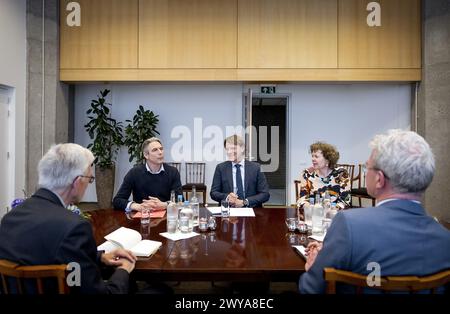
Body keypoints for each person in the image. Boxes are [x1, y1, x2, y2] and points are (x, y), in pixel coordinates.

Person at [299, 130, 450, 294]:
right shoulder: (445, 240)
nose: (365, 171)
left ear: (379, 179)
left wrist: (317, 264)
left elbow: (309, 289)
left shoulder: (348, 225)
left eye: (367, 167)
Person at [0, 143, 137, 294]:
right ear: (77, 182)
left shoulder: (10, 218)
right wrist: (123, 271)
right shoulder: (74, 227)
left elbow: (45, 254)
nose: (88, 185)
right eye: (90, 179)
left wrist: (100, 256)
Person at [113, 137, 182, 212]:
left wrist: (164, 205)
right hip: (142, 217)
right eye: (155, 150)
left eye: (161, 149)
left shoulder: (173, 172)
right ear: (146, 155)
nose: (160, 152)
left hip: (166, 217)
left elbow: (180, 201)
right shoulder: (134, 173)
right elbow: (117, 200)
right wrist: (137, 206)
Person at [210, 135, 270, 208]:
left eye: (233, 148)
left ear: (242, 148)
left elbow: (265, 194)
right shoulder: (221, 168)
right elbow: (213, 193)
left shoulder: (256, 168)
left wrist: (244, 202)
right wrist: (227, 197)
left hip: (251, 210)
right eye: (227, 149)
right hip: (228, 211)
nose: (229, 152)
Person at [297, 141, 351, 210]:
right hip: (313, 214)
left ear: (327, 159)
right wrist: (307, 207)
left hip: (335, 215)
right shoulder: (307, 173)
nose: (313, 159)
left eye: (316, 156)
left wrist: (331, 210)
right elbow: (302, 199)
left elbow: (345, 201)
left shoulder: (341, 173)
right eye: (312, 156)